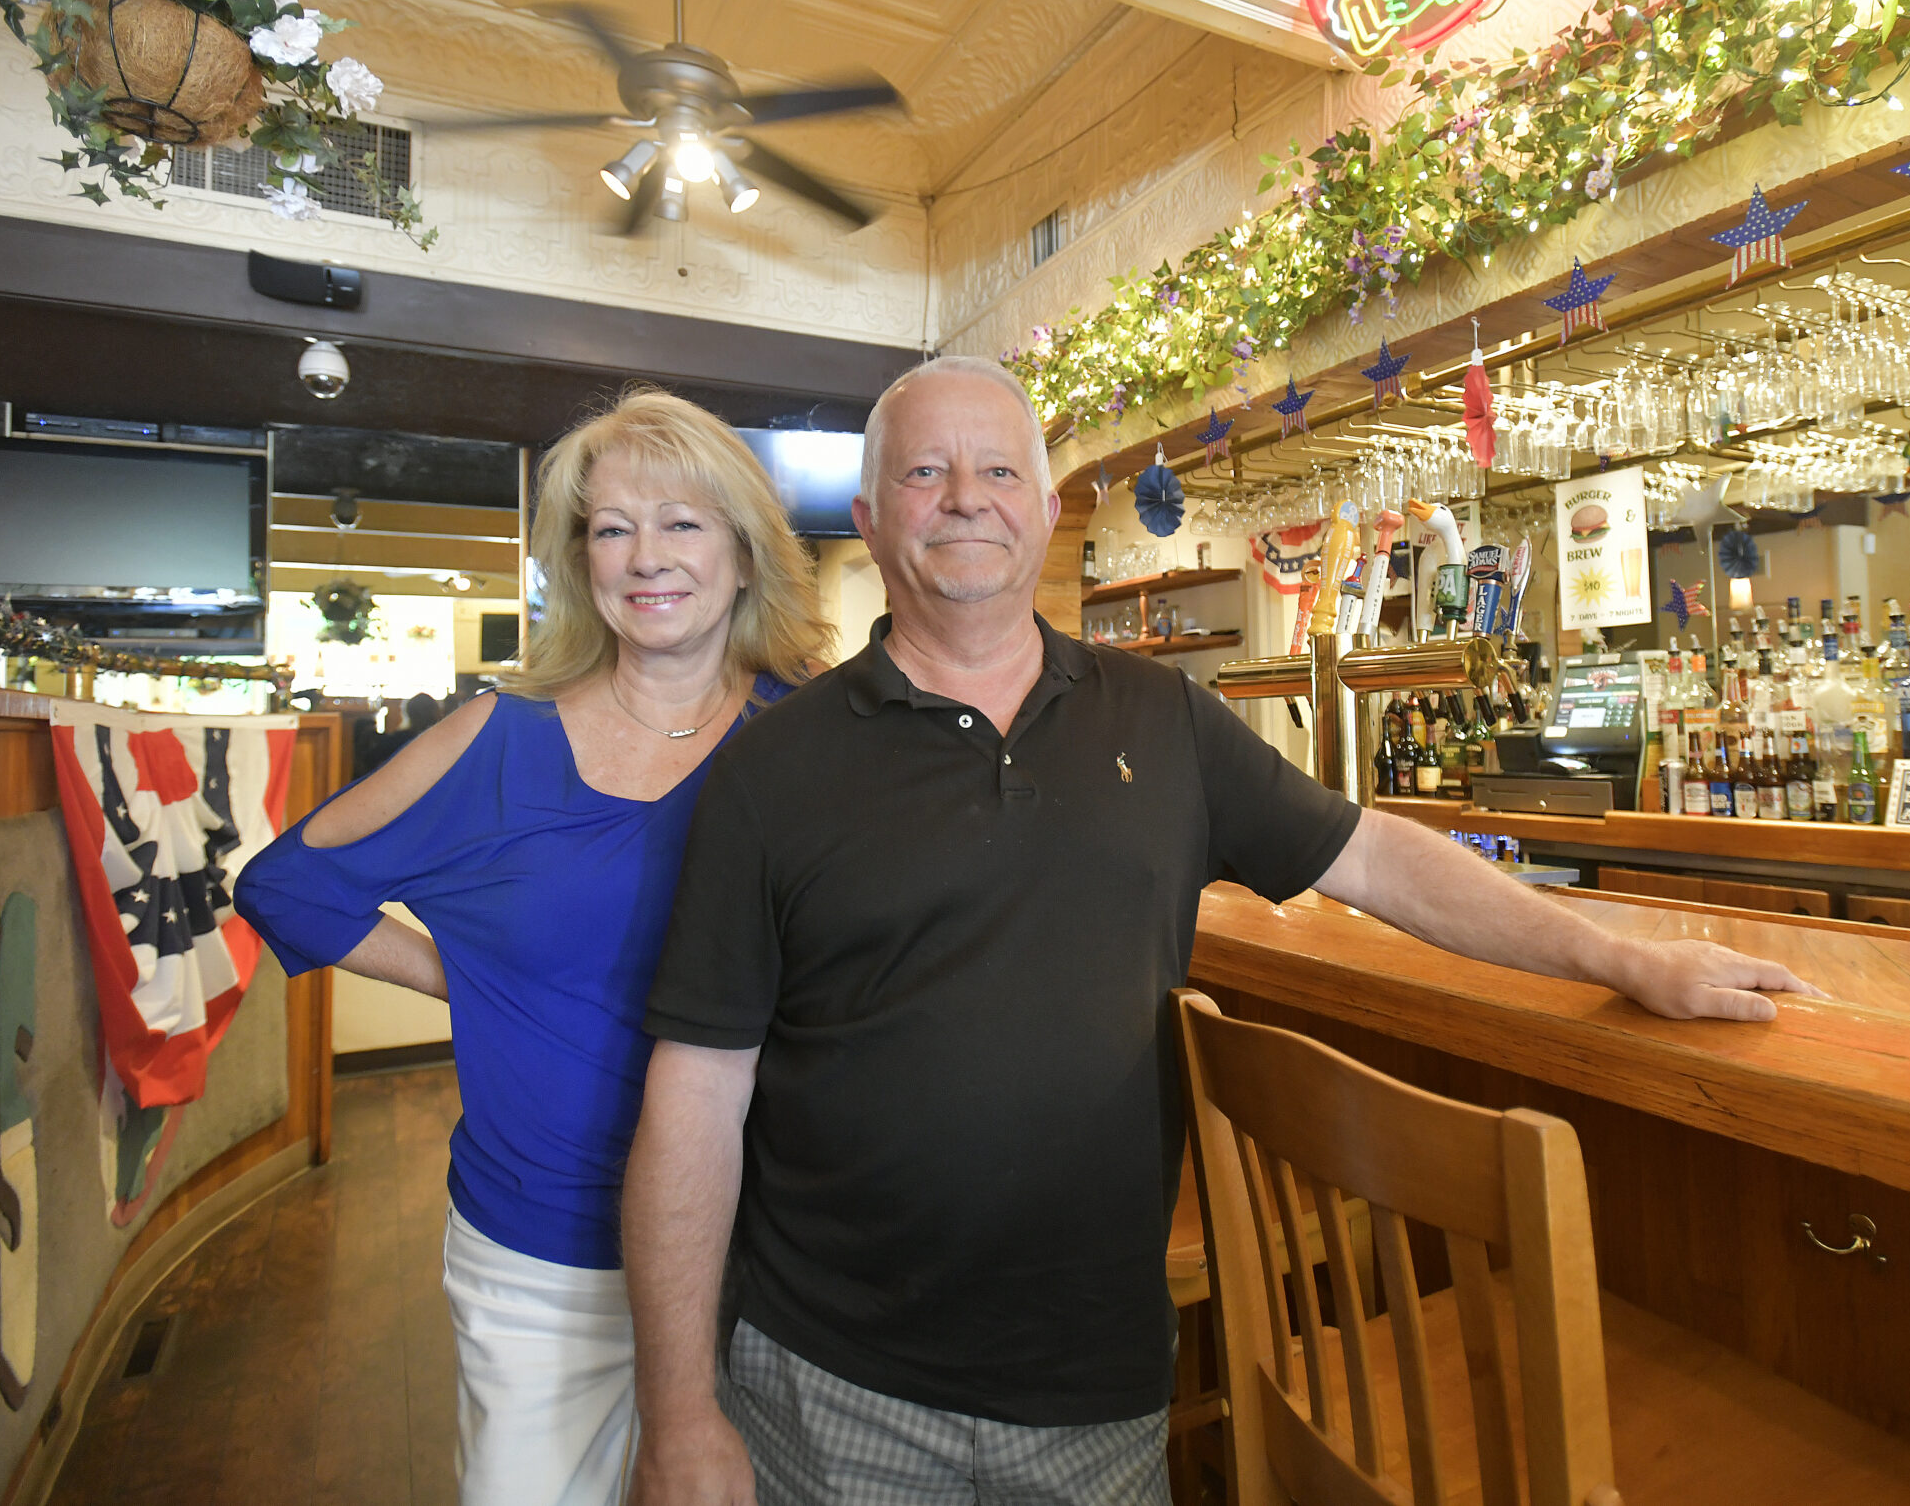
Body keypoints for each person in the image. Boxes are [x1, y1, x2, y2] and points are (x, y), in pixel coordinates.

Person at [620, 357, 1821, 1506]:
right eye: (924, 475)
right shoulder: (770, 772)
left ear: (1044, 512)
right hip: (833, 1382)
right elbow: (694, 1096)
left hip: (1094, 1377)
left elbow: (1376, 855)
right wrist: (679, 1416)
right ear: (871, 518)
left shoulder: (1163, 718)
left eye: (995, 472)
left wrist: (1617, 954)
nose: (963, 500)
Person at [236, 389, 830, 1506]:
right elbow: (287, 888)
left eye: (682, 523)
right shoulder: (498, 740)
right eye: (611, 528)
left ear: (747, 557)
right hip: (545, 1256)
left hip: (767, 1251)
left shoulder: (808, 743)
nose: (645, 556)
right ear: (579, 563)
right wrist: (464, 981)